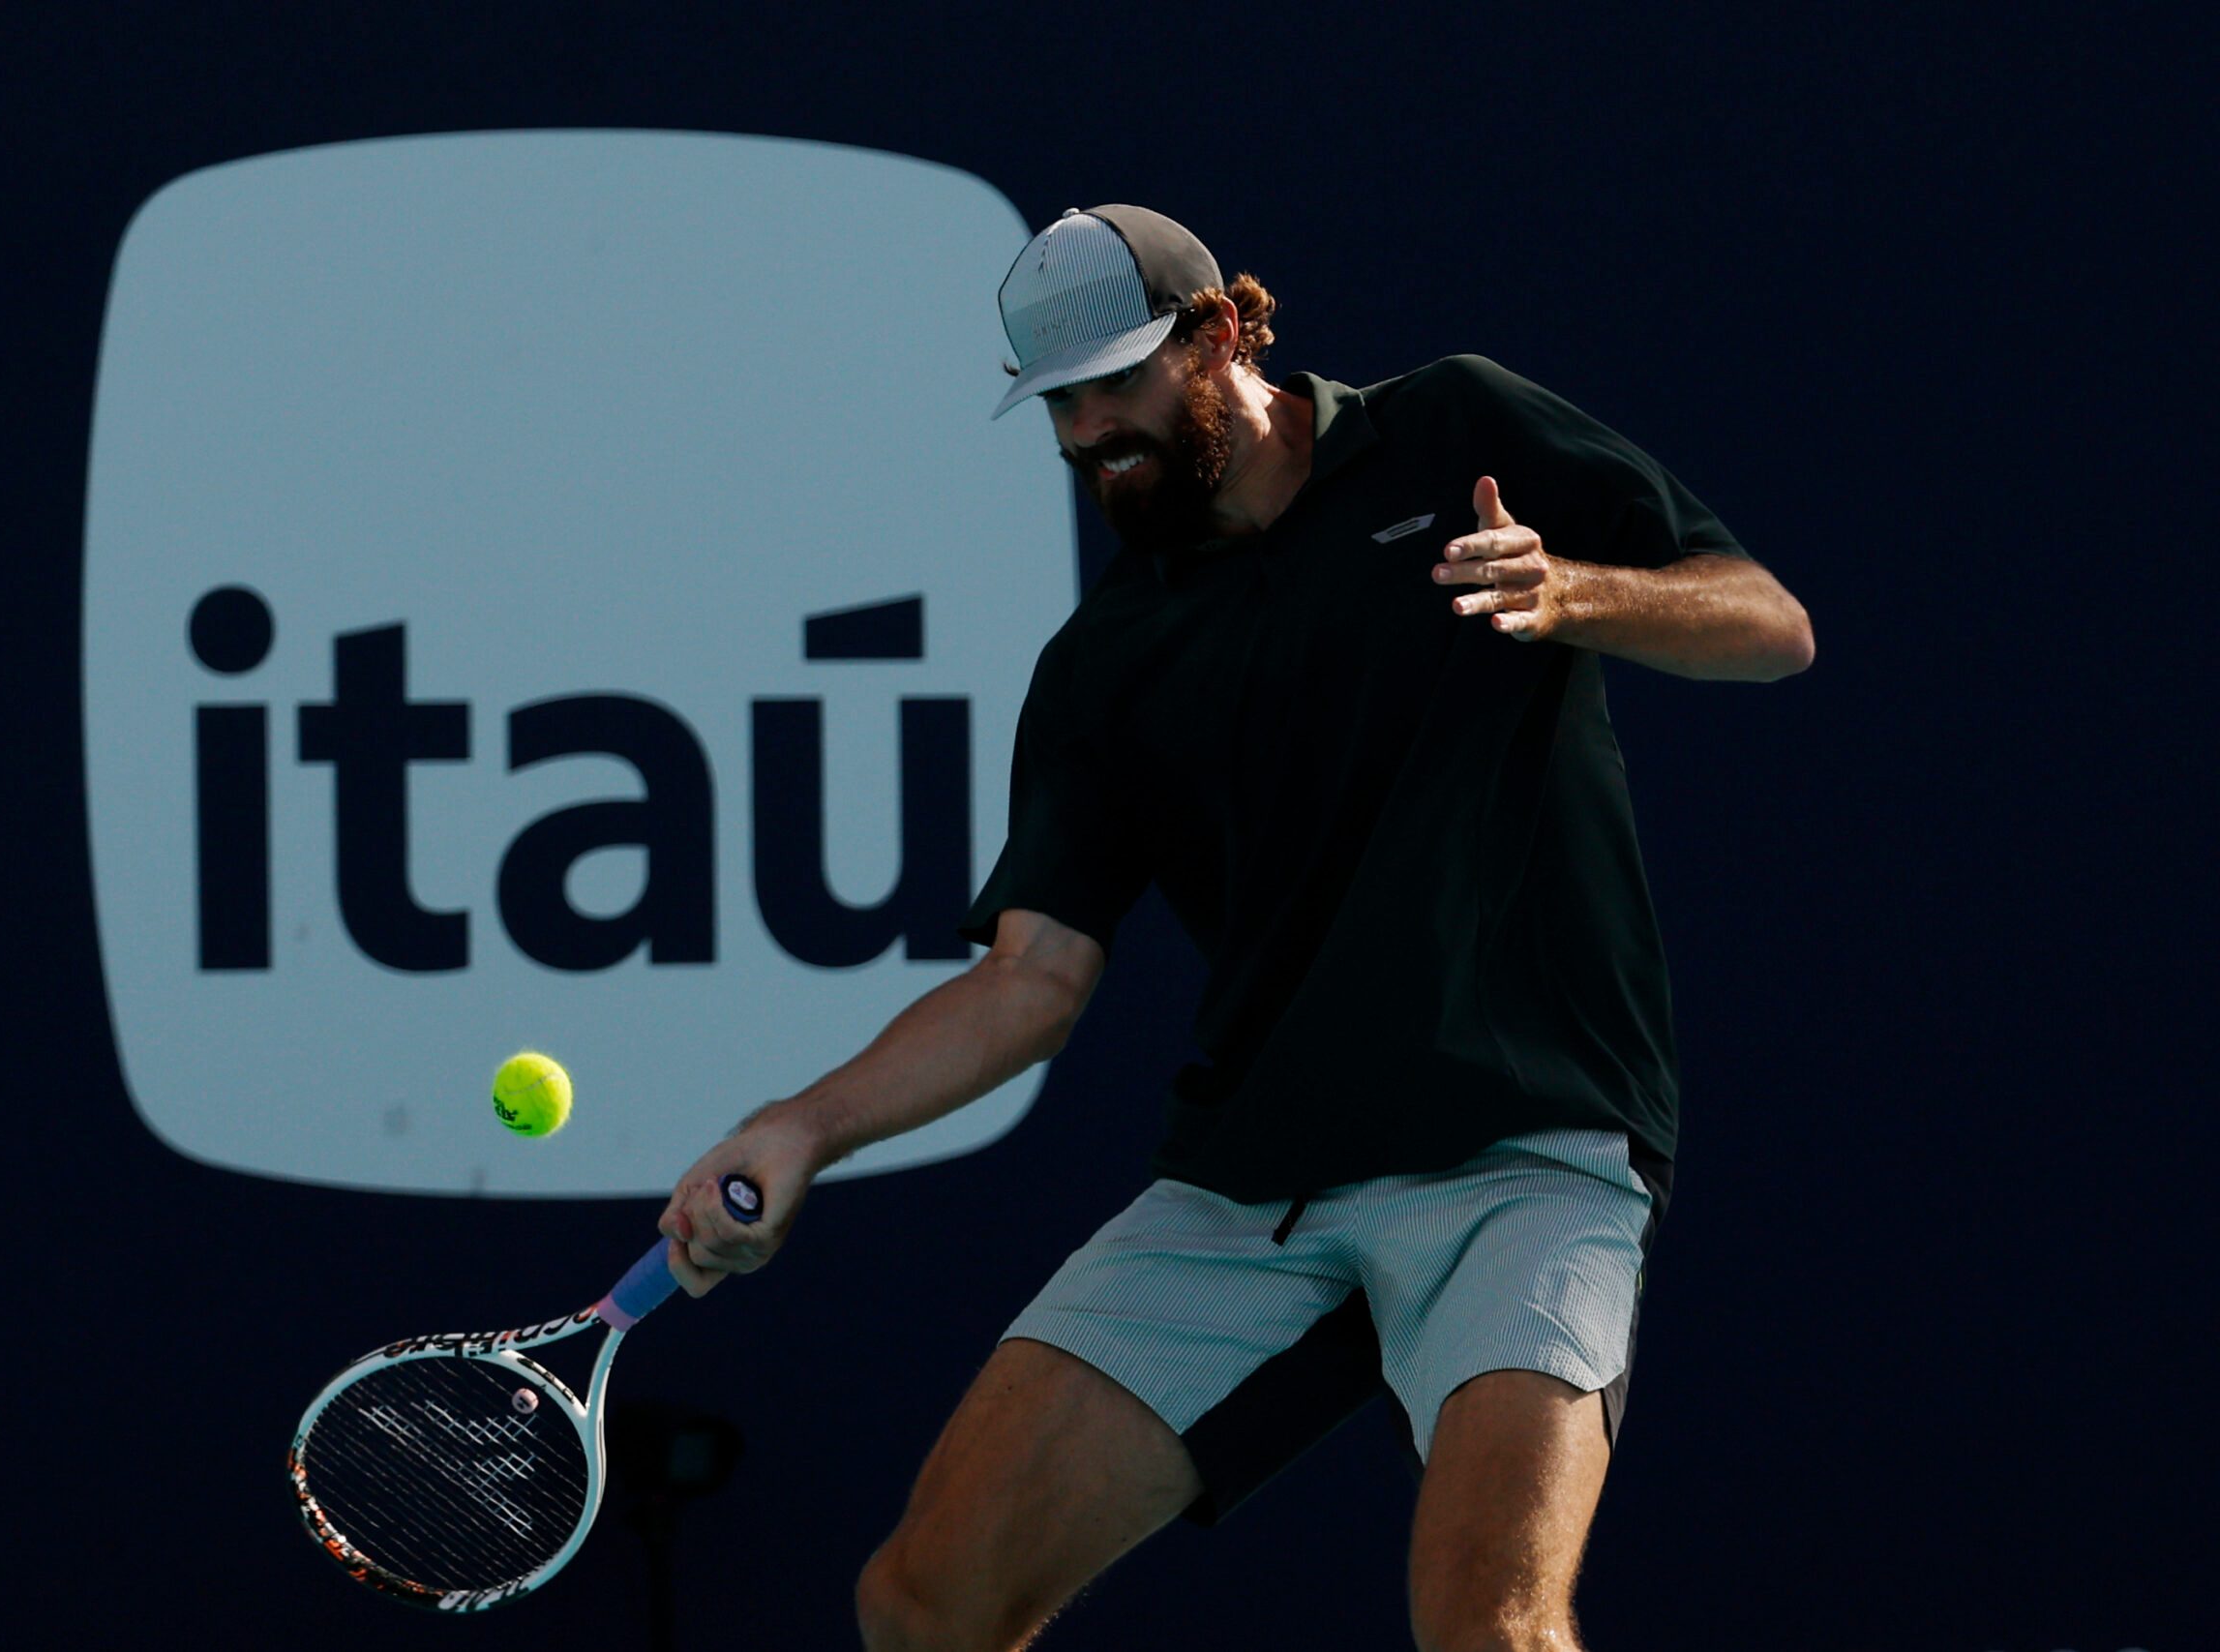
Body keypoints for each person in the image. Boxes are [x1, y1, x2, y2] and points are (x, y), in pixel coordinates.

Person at [656, 204, 1814, 1651]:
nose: (1091, 433)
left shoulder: (1454, 426)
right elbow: (1030, 980)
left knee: (1493, 1630)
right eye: (1060, 403)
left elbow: (1767, 620)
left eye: (1119, 382)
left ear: (1225, 333)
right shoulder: (1106, 665)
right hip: (1252, 1187)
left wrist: (1572, 592)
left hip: (1529, 1153)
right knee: (922, 1605)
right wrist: (802, 1126)